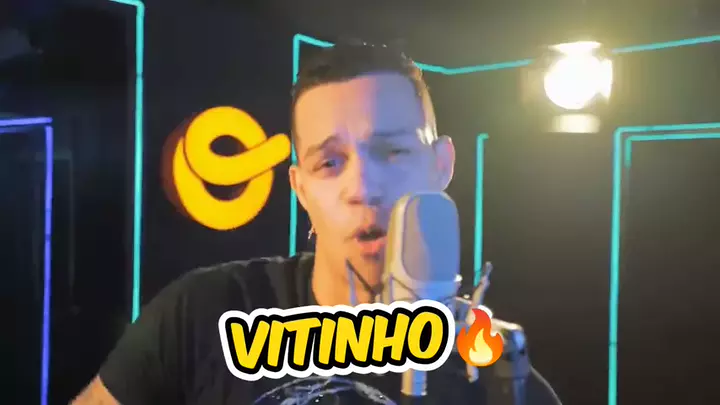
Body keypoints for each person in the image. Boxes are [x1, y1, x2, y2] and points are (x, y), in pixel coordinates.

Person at [71, 42, 562, 405]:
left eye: (392, 151)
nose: (362, 188)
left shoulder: (502, 378)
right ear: (300, 188)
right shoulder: (200, 316)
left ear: (442, 165)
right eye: (329, 163)